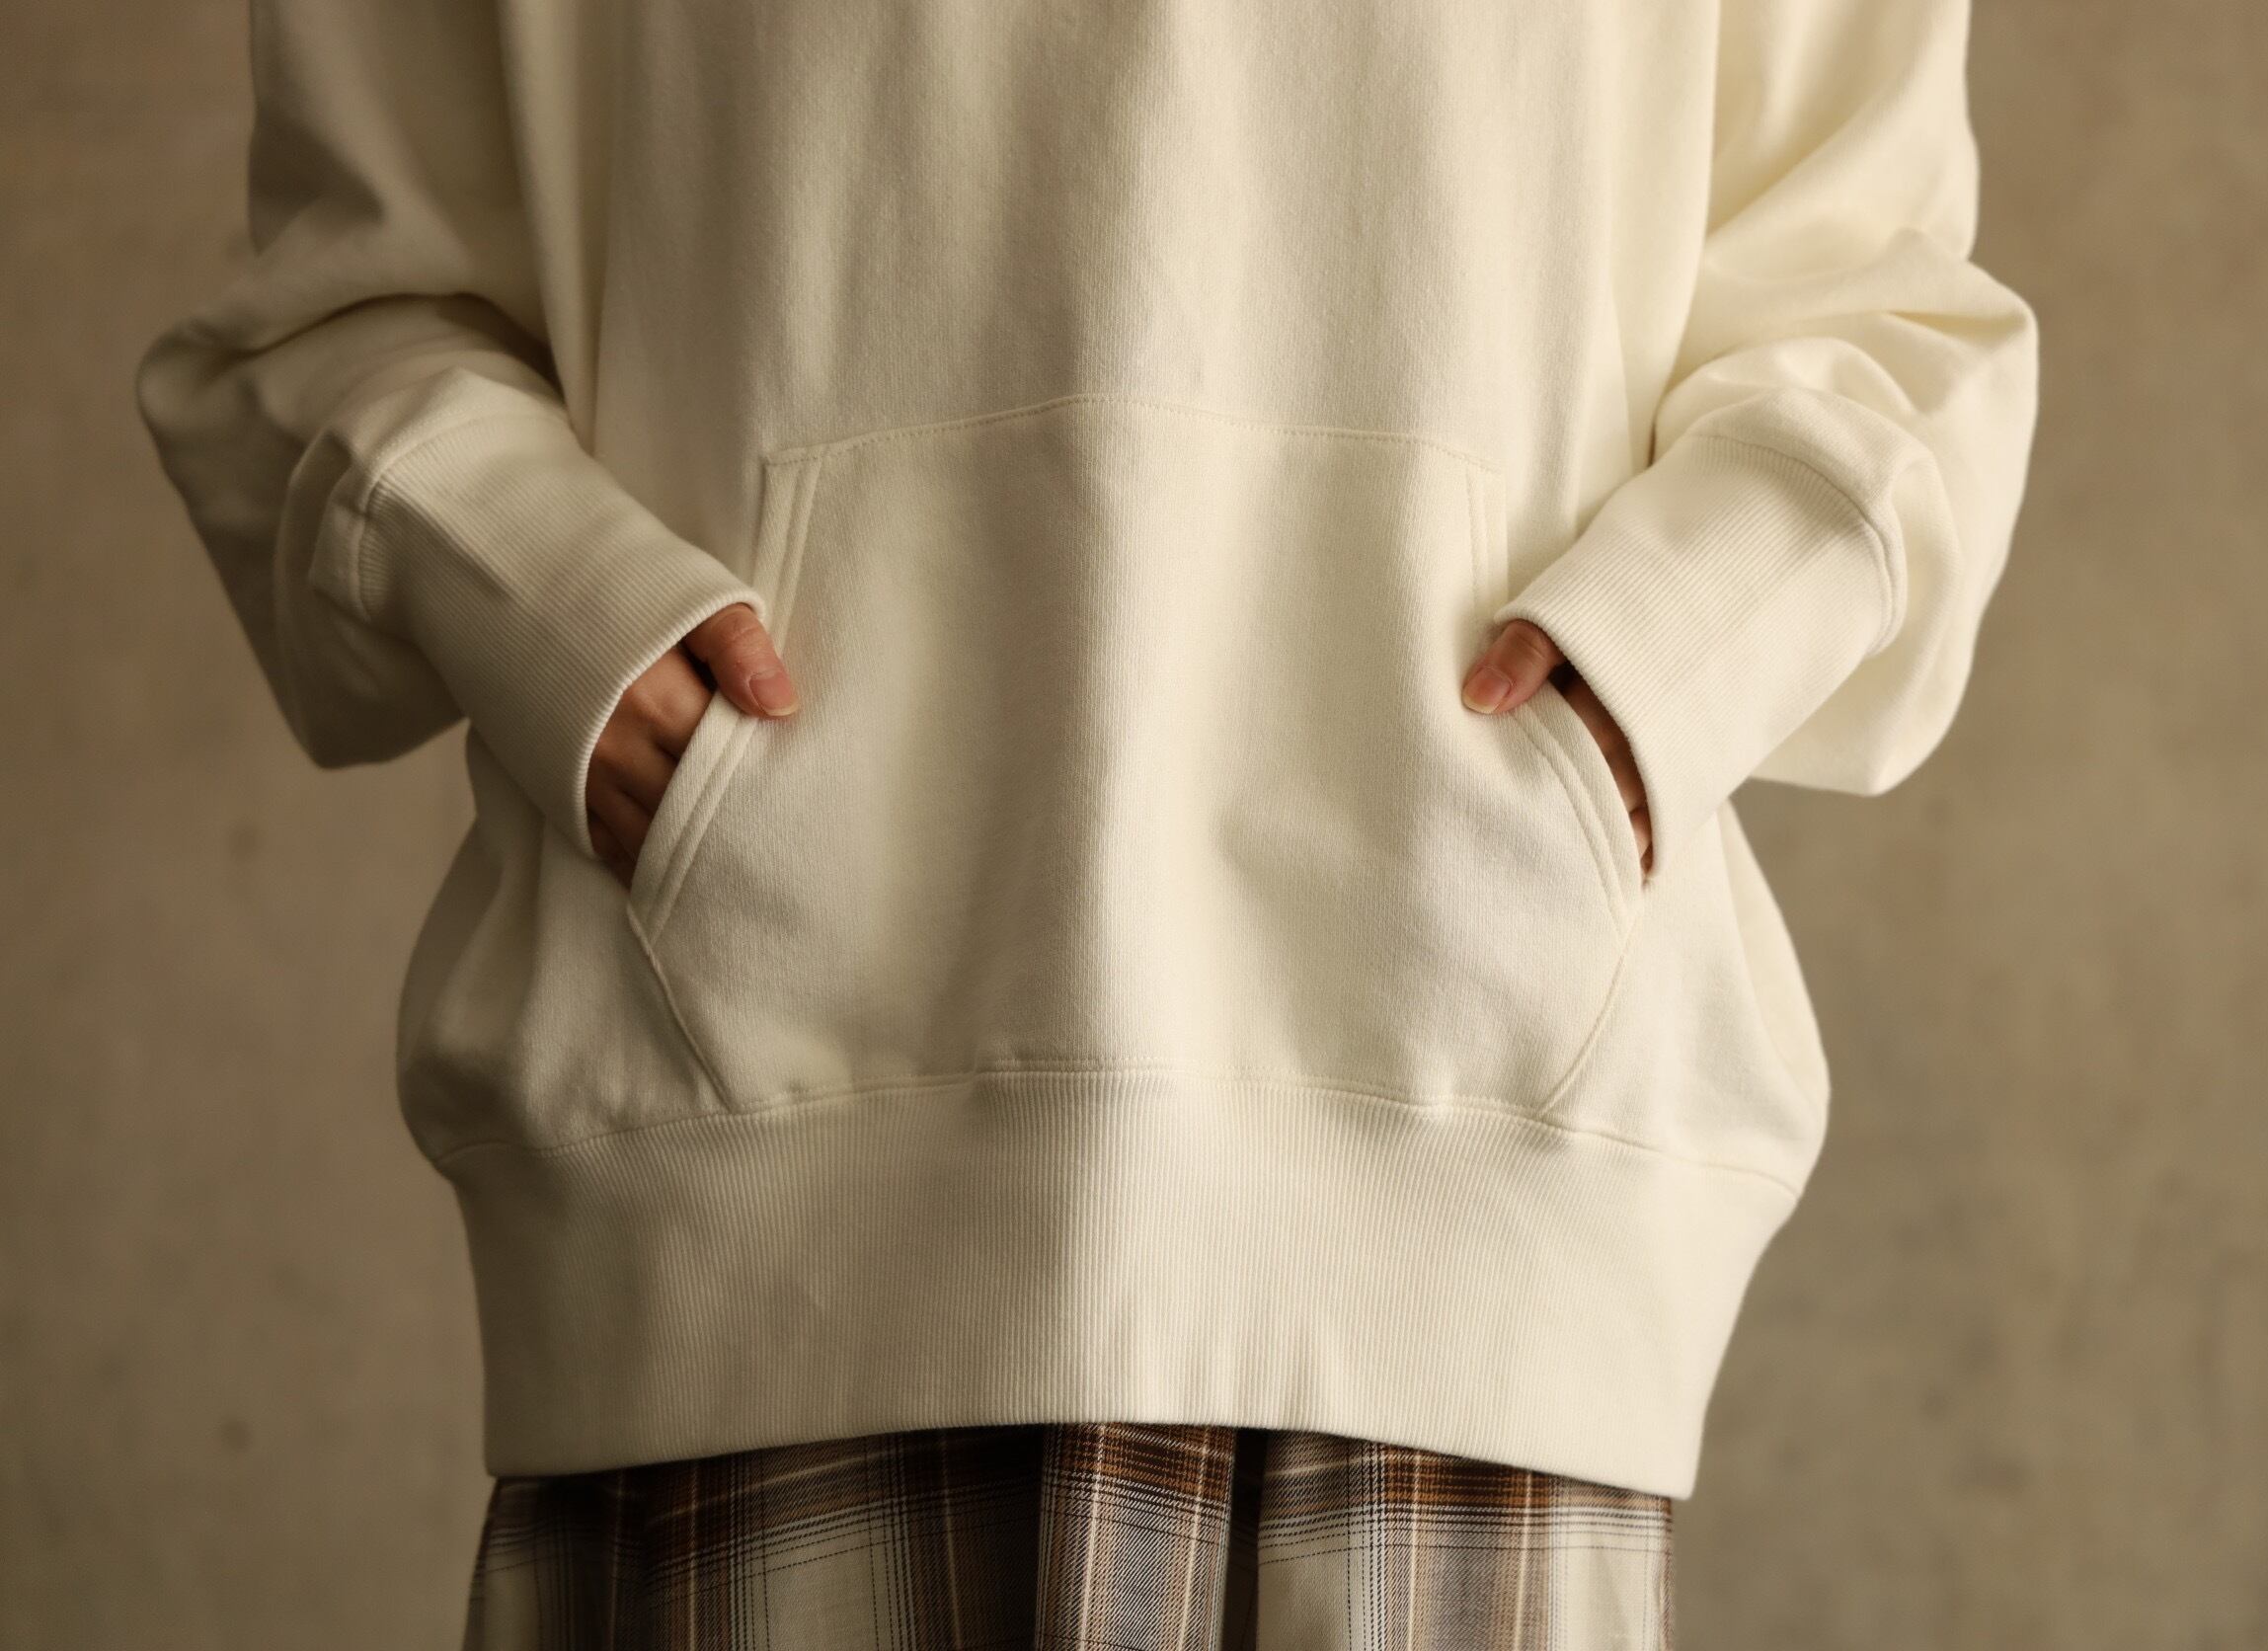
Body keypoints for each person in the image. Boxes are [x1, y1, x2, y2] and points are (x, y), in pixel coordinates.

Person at [132, 0, 2038, 1642]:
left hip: (1463, 1104)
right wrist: (545, 599)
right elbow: (340, 320)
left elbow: (1874, 308)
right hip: (764, 1128)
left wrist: (1661, 664)